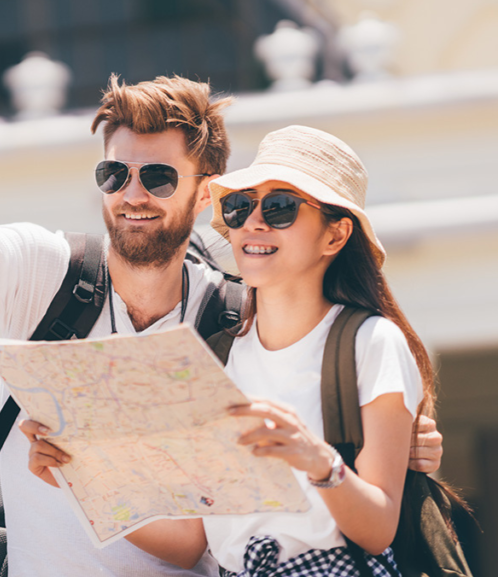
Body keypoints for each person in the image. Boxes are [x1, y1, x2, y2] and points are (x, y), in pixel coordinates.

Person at [0, 77, 443, 577]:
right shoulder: (50, 275)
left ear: (202, 197)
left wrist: (392, 443)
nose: (132, 193)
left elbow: (305, 420)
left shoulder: (232, 323)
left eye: (158, 176)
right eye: (114, 174)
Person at [49, 125, 444, 576]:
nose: (253, 223)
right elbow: (190, 543)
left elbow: (377, 529)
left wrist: (318, 462)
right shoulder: (216, 355)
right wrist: (76, 474)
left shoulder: (372, 343)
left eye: (279, 208)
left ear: (335, 236)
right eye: (240, 207)